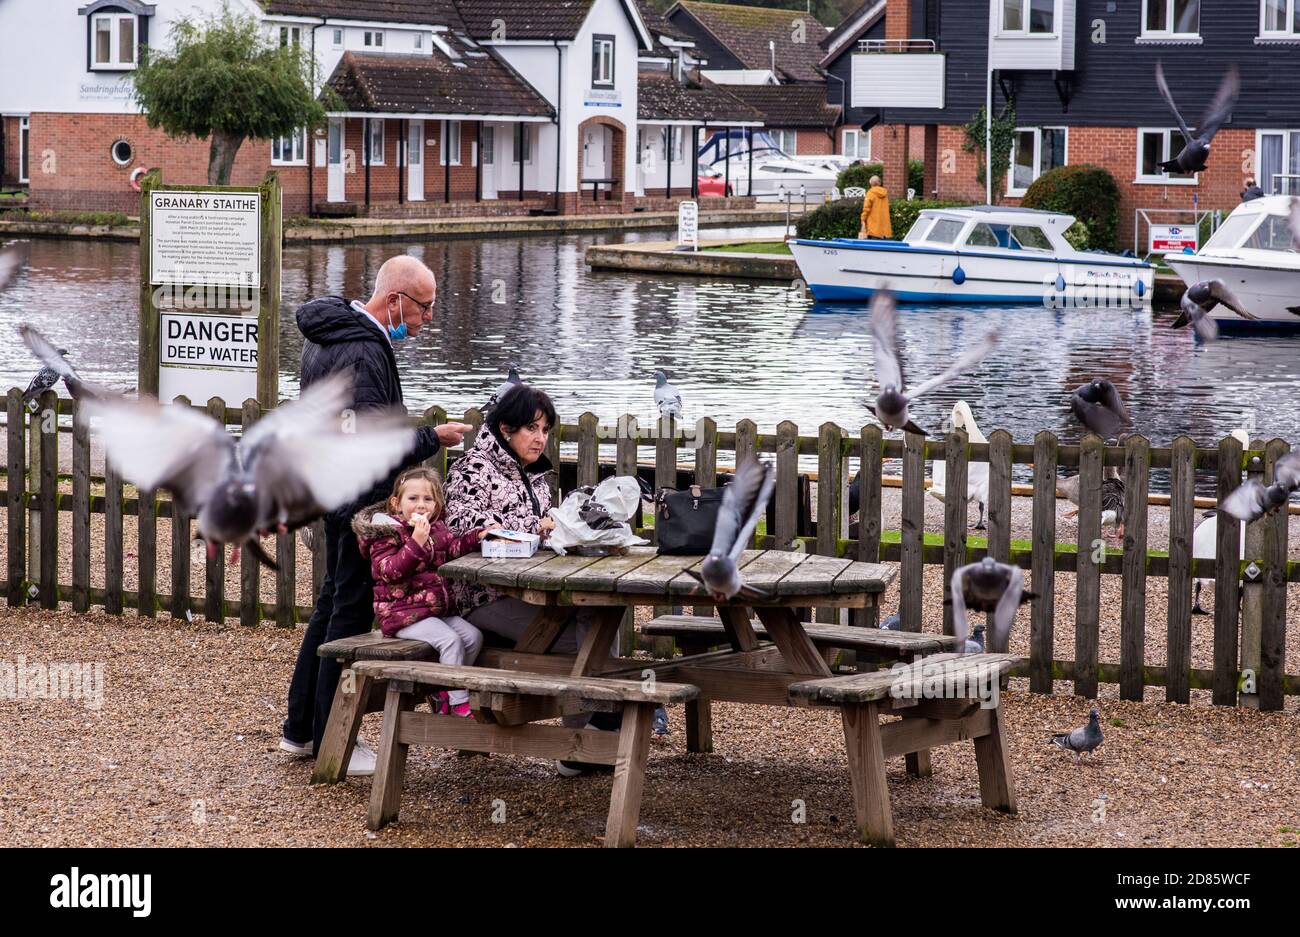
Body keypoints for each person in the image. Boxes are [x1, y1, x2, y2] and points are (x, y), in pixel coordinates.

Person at [281, 255, 472, 775]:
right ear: (395, 301)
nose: (429, 318)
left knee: (329, 608)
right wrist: (434, 437)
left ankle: (300, 730)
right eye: (425, 307)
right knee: (346, 617)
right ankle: (329, 740)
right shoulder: (365, 350)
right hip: (357, 505)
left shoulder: (327, 334)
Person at [444, 382, 623, 775]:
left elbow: (542, 533)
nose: (540, 438)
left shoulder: (536, 476)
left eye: (545, 430)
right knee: (590, 636)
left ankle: (592, 733)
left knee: (603, 617)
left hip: (532, 591)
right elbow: (462, 529)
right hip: (482, 598)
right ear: (506, 428)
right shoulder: (470, 469)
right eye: (532, 428)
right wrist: (538, 525)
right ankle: (593, 735)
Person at [353, 467, 498, 718]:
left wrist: (477, 536)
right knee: (450, 640)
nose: (421, 505)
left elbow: (452, 549)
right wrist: (416, 543)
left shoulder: (436, 529)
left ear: (437, 504)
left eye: (428, 499)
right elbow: (389, 571)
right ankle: (458, 702)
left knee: (473, 637)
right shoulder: (387, 533)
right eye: (413, 499)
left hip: (433, 611)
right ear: (396, 504)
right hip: (400, 614)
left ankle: (441, 688)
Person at [858, 175, 892, 240]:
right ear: (879, 183)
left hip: (873, 227)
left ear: (870, 183)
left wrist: (863, 218)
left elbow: (866, 208)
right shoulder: (885, 194)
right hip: (884, 229)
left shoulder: (870, 193)